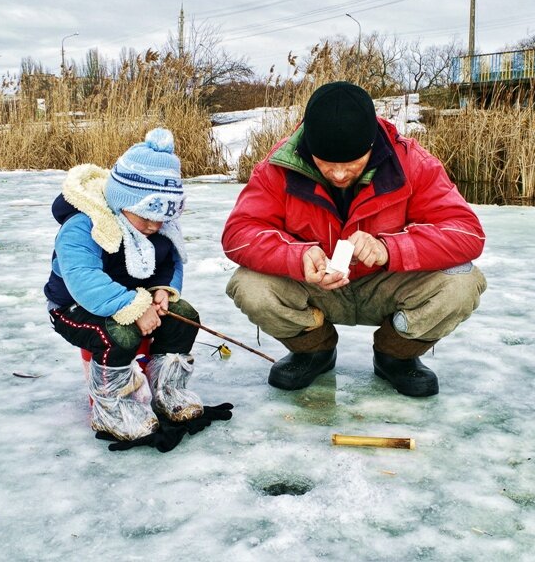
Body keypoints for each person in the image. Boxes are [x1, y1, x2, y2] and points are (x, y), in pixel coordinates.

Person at [222, 81, 487, 398]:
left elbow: (466, 231)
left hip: (388, 284)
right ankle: (314, 350)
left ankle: (396, 355)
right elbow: (238, 234)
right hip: (316, 288)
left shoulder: (413, 163)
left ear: (371, 146)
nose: (337, 175)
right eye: (326, 164)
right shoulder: (278, 167)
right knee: (249, 285)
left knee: (463, 281)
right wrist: (295, 256)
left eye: (350, 165)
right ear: (309, 148)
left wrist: (390, 249)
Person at [45, 128, 209, 442]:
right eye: (146, 216)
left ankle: (167, 392)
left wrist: (163, 291)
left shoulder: (157, 226)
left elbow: (169, 262)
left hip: (133, 297)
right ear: (122, 201)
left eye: (161, 218)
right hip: (74, 306)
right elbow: (85, 283)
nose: (154, 225)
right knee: (119, 333)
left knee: (183, 315)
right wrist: (136, 307)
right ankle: (112, 408)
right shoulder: (82, 226)